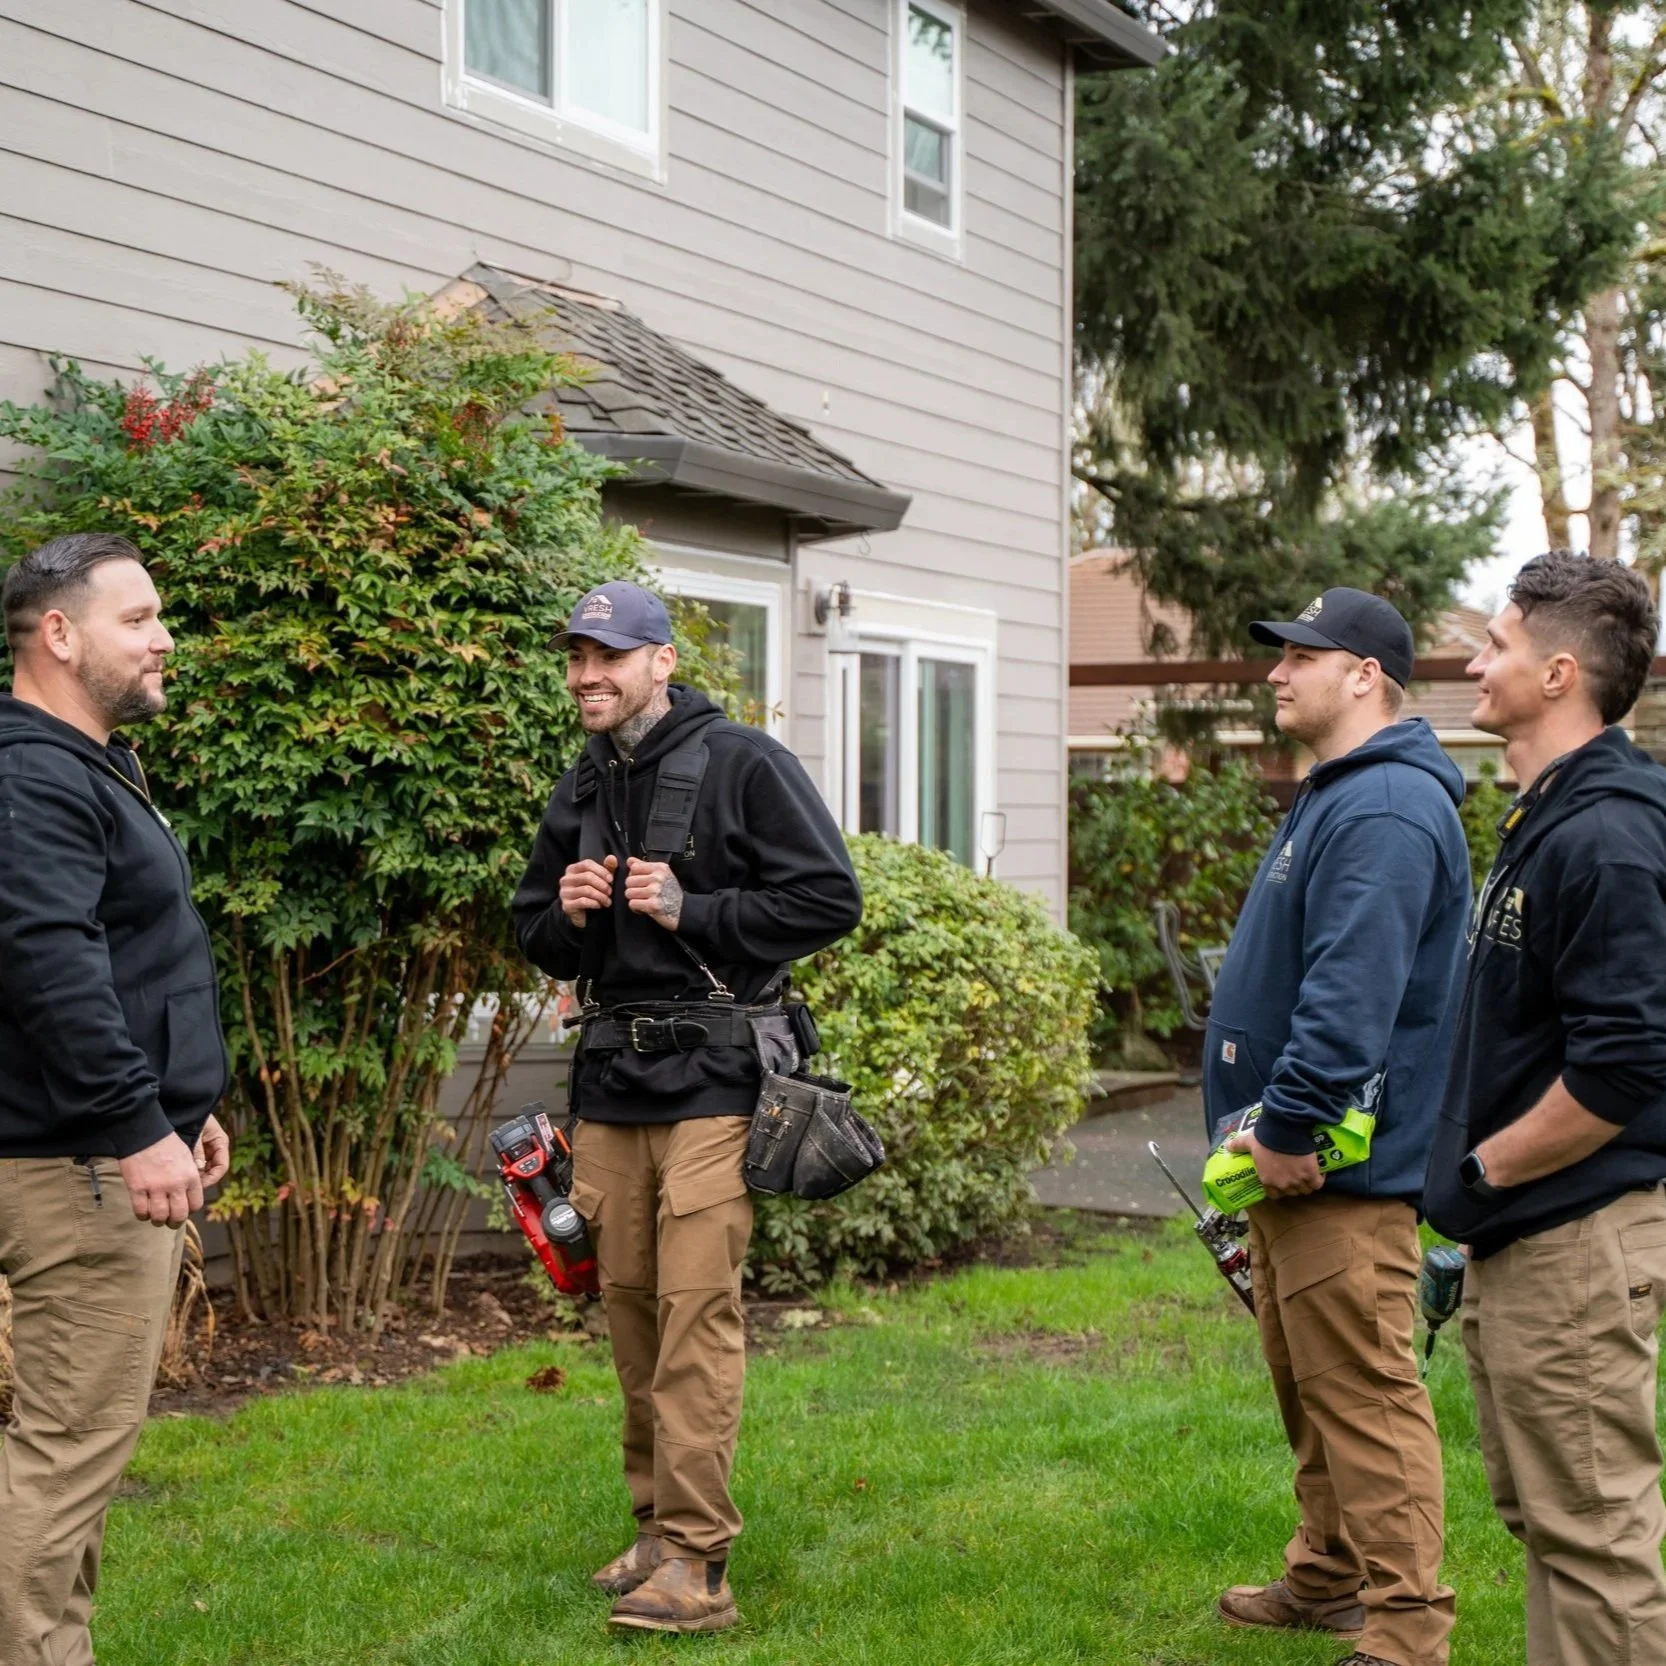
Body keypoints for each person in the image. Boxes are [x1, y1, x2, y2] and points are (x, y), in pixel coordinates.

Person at [513, 580, 861, 1634]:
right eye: (576, 656)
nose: (586, 675)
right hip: (612, 1083)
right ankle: (655, 1527)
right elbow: (533, 929)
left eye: (607, 656)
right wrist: (563, 917)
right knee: (628, 1311)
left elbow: (827, 898)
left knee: (695, 1316)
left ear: (661, 661)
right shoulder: (580, 781)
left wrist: (690, 905)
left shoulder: (745, 763)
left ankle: (700, 1565)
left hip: (716, 1081)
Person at [1204, 588, 1470, 1666]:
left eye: (1299, 656)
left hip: (1336, 1175)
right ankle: (1327, 1573)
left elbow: (1349, 995)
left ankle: (1407, 1629)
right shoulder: (1344, 795)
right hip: (1289, 1168)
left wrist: (1289, 1128)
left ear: (1363, 674)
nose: (1276, 673)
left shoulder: (1387, 809)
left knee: (1363, 1396)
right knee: (1311, 1382)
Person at [1424, 551, 1666, 1665]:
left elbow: (1624, 1069)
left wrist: (1482, 1176)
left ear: (1559, 673)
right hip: (1526, 1236)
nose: (1475, 664)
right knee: (1548, 1523)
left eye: (1498, 647)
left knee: (1594, 1537)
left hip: (1569, 1232)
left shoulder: (1607, 833)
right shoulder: (1547, 815)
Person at [0, 533, 230, 1666]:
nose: (163, 636)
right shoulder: (32, 772)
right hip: (74, 1166)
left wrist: (183, 1099)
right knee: (67, 1445)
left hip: (102, 1142)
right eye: (137, 618)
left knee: (76, 1449)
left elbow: (126, 959)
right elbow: (46, 961)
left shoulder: (73, 764)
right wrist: (138, 1125)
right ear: (58, 634)